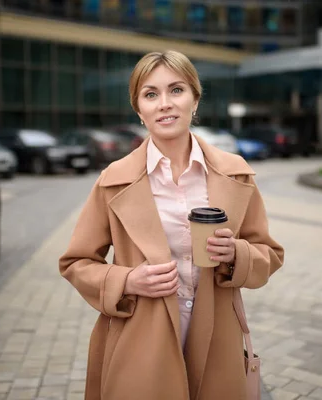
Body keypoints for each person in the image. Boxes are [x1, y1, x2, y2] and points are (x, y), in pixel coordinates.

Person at [59, 50, 284, 400]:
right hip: (139, 336)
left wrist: (236, 254)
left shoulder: (235, 172)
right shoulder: (113, 180)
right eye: (151, 94)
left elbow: (269, 253)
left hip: (217, 336)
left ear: (195, 100)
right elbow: (76, 263)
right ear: (139, 109)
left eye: (176, 90)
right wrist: (128, 280)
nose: (164, 103)